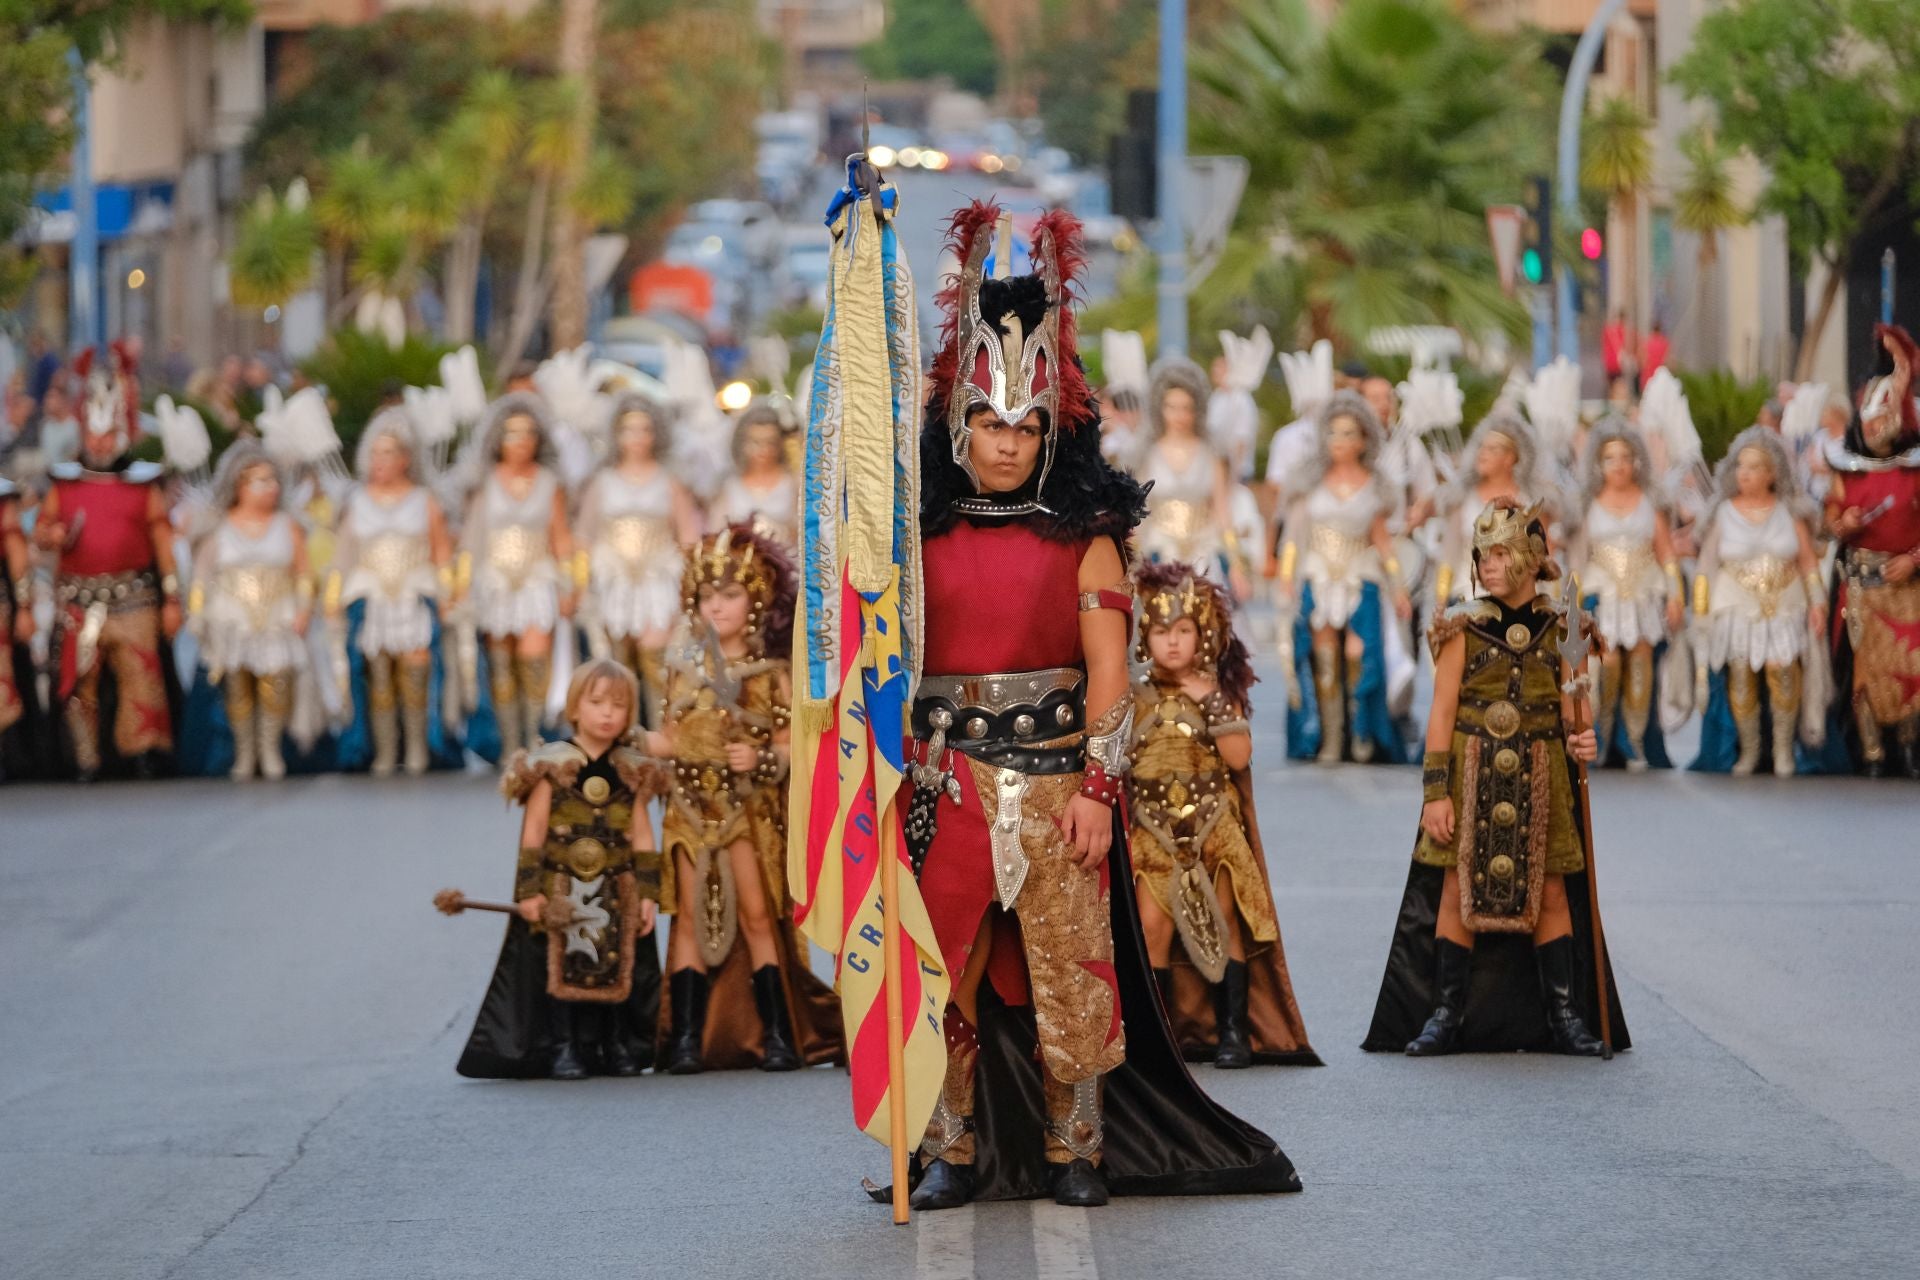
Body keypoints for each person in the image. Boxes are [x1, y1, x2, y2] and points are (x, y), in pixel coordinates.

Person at [902, 202, 1297, 1210]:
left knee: (1069, 970)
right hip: (939, 783)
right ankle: (946, 1144)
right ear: (959, 422)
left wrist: (1096, 783)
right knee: (937, 974)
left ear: (1050, 427)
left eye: (1024, 425)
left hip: (1054, 781)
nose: (1005, 443)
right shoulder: (914, 540)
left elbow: (1110, 674)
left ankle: (1077, 1148)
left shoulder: (1087, 534)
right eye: (989, 423)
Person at [1363, 498, 1628, 1058]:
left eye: (1502, 553)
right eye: (1483, 554)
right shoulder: (1462, 624)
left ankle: (1563, 1015)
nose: (1488, 563)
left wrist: (1584, 735)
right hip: (1469, 768)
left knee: (1551, 888)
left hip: (1542, 770)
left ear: (1534, 559)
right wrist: (1435, 792)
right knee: (1457, 886)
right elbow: (1439, 713)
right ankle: (1444, 1012)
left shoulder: (1565, 626)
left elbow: (1572, 707)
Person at [643, 525, 842, 1075]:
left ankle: (779, 1034)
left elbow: (789, 749)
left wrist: (762, 761)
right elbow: (667, 739)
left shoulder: (772, 675)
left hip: (747, 813)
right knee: (685, 918)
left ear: (754, 600)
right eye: (708, 597)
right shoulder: (678, 675)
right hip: (686, 811)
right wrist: (628, 744)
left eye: (729, 595)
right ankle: (684, 1038)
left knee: (757, 915)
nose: (718, 606)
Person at [1128, 562, 1319, 1068]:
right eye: (1162, 630)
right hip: (1151, 830)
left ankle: (1233, 1031)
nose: (1173, 642)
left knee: (1226, 916)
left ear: (1204, 633)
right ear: (1144, 633)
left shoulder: (1217, 689)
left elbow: (1237, 758)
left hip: (1215, 825)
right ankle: (1160, 1033)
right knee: (1152, 922)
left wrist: (1209, 698)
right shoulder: (1133, 693)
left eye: (1184, 631)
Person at [455, 658, 669, 1079]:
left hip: (616, 886)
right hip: (560, 886)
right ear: (574, 708)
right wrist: (530, 892)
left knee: (616, 961)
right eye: (597, 702)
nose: (608, 713)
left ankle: (614, 1045)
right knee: (561, 965)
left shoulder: (632, 768)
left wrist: (648, 894)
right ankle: (565, 1046)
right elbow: (533, 831)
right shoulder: (552, 764)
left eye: (619, 705)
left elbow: (643, 834)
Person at [34, 348, 180, 780]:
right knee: (79, 683)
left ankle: (142, 751)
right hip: (78, 599)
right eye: (92, 435)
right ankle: (85, 758)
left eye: (106, 434)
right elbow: (42, 530)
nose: (98, 443)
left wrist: (173, 599)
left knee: (142, 676)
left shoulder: (143, 486)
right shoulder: (65, 483)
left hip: (134, 597)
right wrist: (53, 536)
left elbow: (163, 543)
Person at [1275, 391, 1413, 764]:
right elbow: (1294, 537)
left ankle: (1362, 734)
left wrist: (1399, 587)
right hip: (1316, 575)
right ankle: (1329, 737)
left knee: (1359, 654)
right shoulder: (1309, 482)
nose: (1340, 441)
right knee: (1322, 656)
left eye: (1349, 433)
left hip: (1360, 575)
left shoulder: (1377, 486)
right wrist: (1287, 578)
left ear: (1364, 438)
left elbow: (1384, 544)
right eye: (1334, 433)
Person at [1686, 428, 1830, 776]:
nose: (1745, 473)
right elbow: (1705, 568)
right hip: (1735, 606)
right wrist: (1701, 612)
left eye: (1754, 466)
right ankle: (1749, 750)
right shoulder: (1721, 513)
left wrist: (1818, 602)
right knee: (1740, 675)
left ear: (1772, 472)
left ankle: (1782, 750)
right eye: (1740, 466)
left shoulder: (1790, 512)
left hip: (1784, 604)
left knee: (1782, 671)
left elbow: (1808, 561)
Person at [329, 410, 456, 776]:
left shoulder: (424, 500)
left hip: (413, 593)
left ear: (405, 459)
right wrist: (332, 601)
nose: (380, 461)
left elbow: (441, 551)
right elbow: (343, 558)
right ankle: (386, 749)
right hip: (371, 598)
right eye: (375, 453)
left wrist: (448, 594)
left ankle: (418, 746)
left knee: (416, 670)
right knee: (380, 674)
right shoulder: (356, 503)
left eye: (388, 454)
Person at [185, 443, 317, 781]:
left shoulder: (288, 526)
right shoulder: (218, 528)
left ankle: (270, 747)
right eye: (260, 480)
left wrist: (304, 609)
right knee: (238, 686)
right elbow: (200, 578)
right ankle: (245, 751)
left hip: (277, 616)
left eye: (273, 480)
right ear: (240, 485)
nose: (270, 486)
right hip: (232, 618)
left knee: (275, 683)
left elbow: (304, 573)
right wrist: (197, 615)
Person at [1823, 324, 1920, 778]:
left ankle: (1907, 748)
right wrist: (1843, 525)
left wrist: (1914, 560)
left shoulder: (1915, 472)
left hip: (1909, 588)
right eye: (1869, 418)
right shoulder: (1848, 471)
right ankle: (1872, 752)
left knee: (1912, 669)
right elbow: (1831, 521)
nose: (1874, 425)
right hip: (1862, 585)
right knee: (1865, 672)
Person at [578, 391, 702, 727]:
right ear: (616, 435)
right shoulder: (601, 482)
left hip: (657, 580)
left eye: (644, 429)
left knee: (656, 656)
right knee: (617, 661)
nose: (637, 437)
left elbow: (689, 535)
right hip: (612, 581)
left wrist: (691, 585)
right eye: (629, 429)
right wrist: (580, 585)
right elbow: (584, 538)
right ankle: (619, 737)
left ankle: (661, 737)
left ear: (656, 433)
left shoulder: (670, 481)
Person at [461, 393, 575, 759]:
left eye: (528, 433)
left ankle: (534, 738)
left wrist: (570, 584)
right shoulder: (485, 482)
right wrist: (461, 587)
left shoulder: (549, 483)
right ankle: (510, 744)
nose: (520, 441)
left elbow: (561, 539)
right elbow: (472, 541)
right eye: (511, 433)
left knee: (534, 656)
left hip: (537, 581)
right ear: (497, 438)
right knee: (501, 662)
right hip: (494, 582)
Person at [1570, 421, 1686, 770]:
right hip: (1601, 597)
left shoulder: (1651, 503)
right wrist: (1573, 608)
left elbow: (1666, 553)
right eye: (1610, 458)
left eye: (1625, 457)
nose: (1618, 464)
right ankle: (1603, 740)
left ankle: (1634, 741)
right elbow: (1578, 559)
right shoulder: (1586, 505)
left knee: (1641, 661)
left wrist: (1676, 595)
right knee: (1607, 665)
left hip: (1643, 596)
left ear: (1636, 461)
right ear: (1598, 463)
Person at [1133, 359, 1250, 595]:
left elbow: (1222, 510)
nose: (1180, 415)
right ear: (1160, 407)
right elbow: (1138, 513)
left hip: (1205, 554)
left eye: (1187, 407)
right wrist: (1130, 563)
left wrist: (1237, 563)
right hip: (1159, 551)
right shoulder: (1147, 454)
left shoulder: (1212, 453)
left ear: (1197, 409)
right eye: (1172, 407)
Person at [1432, 409, 1561, 608]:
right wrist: (1440, 602)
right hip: (1468, 596)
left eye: (1492, 450)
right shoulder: (1463, 500)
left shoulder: (1531, 501)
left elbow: (1545, 555)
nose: (1482, 455)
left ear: (1510, 458)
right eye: (1481, 448)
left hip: (1522, 604)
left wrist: (1554, 603)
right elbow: (1449, 554)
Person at [711, 400, 798, 551]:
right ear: (742, 443)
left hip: (786, 564)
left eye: (770, 442)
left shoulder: (792, 483)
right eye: (755, 443)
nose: (763, 450)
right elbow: (715, 532)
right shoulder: (731, 486)